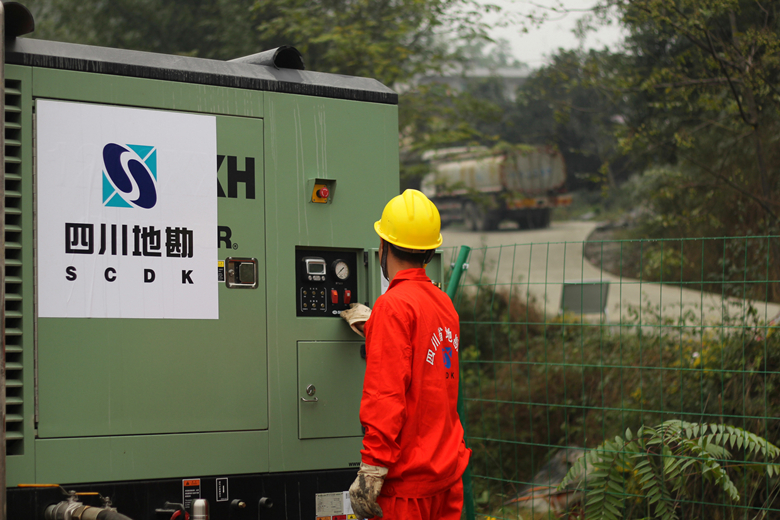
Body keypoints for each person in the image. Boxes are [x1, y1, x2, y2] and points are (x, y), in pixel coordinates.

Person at [340, 189, 471, 520]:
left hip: (407, 489)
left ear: (383, 246)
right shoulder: (443, 303)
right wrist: (375, 326)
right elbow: (426, 362)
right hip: (446, 477)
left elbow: (385, 395)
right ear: (428, 252)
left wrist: (372, 469)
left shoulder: (393, 306)